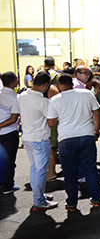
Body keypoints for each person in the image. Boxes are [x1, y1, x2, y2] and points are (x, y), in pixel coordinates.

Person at [46, 74, 100, 211]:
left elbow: (51, 123)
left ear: (60, 85)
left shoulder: (55, 99)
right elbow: (96, 113)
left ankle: (71, 203)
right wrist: (96, 129)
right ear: (72, 83)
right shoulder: (86, 94)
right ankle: (96, 199)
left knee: (69, 173)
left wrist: (62, 119)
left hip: (66, 138)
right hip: (86, 135)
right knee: (90, 169)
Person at [17, 71, 59, 210]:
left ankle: (39, 195)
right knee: (41, 170)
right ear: (46, 85)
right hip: (40, 138)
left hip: (27, 137)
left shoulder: (22, 96)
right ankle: (39, 200)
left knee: (35, 169)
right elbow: (52, 121)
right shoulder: (43, 101)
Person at [0, 72, 21, 194]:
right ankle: (8, 185)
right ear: (13, 81)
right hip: (9, 133)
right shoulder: (15, 97)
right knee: (9, 160)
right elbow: (13, 118)